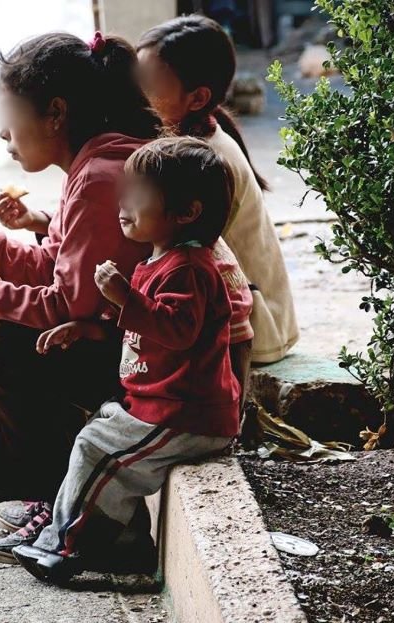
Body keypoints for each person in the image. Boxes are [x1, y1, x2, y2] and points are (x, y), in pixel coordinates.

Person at [0, 31, 161, 563]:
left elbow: (64, 308)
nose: (3, 131)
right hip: (135, 341)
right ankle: (45, 496)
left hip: (152, 361)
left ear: (55, 114)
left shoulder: (98, 178)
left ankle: (62, 506)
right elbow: (58, 268)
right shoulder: (94, 165)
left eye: (10, 113)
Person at [12, 137, 241, 582]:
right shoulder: (157, 260)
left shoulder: (190, 268)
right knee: (96, 433)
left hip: (185, 415)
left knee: (101, 454)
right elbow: (141, 329)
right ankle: (124, 544)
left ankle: (67, 549)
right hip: (157, 407)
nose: (124, 199)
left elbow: (178, 330)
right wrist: (88, 328)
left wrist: (124, 298)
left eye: (139, 193)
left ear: (186, 212)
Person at [136, 15, 299, 367]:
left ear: (197, 99)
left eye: (149, 83)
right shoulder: (191, 139)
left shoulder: (203, 162)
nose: (136, 92)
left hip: (253, 327)